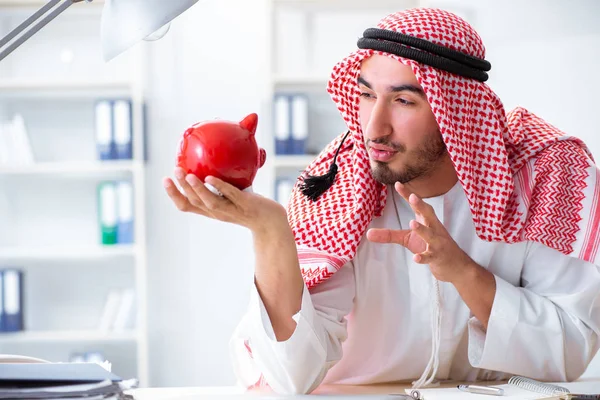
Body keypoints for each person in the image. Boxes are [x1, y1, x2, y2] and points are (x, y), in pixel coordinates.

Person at [163, 7, 600, 396]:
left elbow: (571, 349)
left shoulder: (541, 174)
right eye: (367, 94)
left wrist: (464, 273)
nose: (374, 128)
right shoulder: (337, 186)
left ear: (458, 113)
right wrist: (271, 232)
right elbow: (288, 377)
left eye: (404, 100)